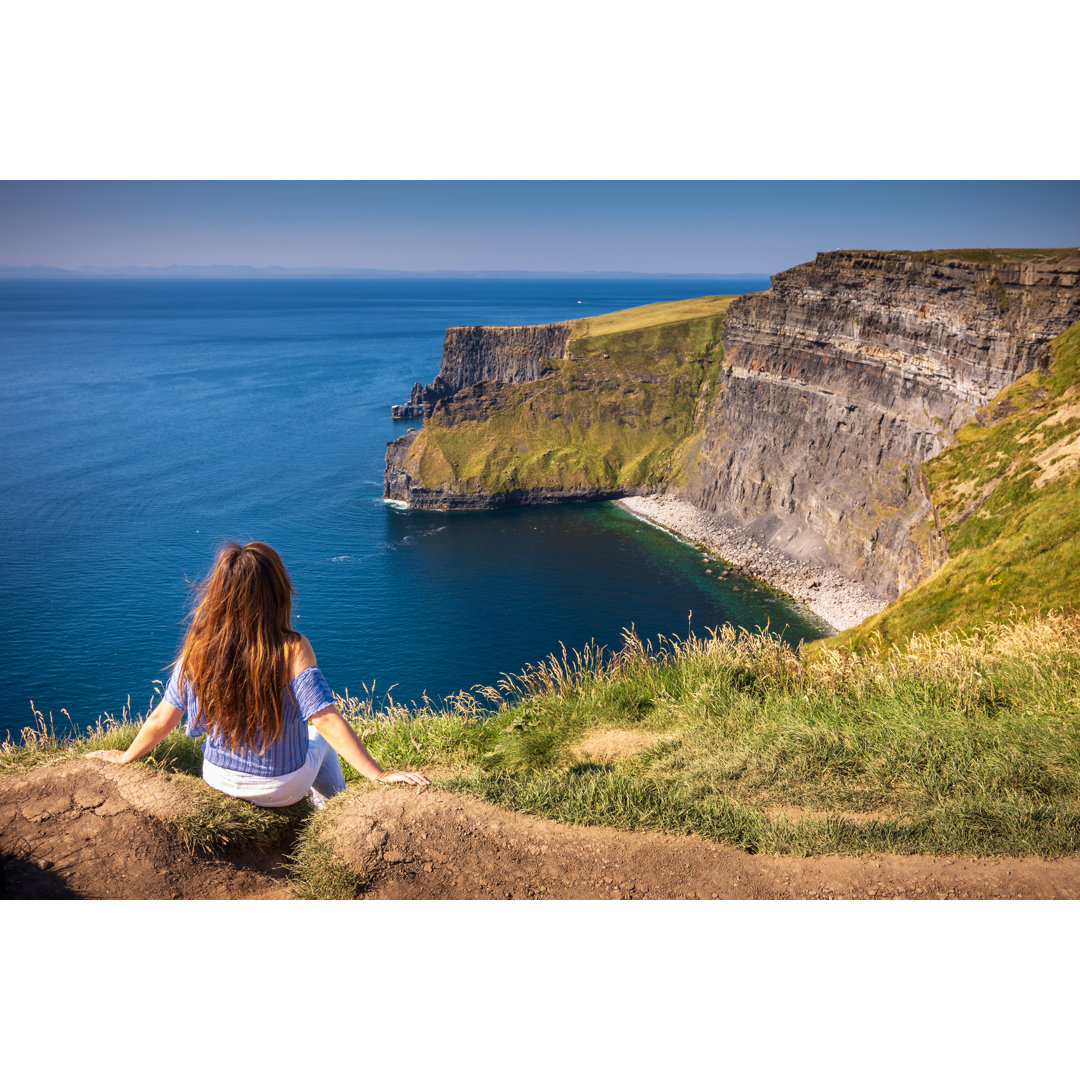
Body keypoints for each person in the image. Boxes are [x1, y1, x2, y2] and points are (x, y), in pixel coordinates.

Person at [87, 541, 429, 806]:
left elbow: (163, 717)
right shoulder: (292, 648)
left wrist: (126, 757)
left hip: (217, 777)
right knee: (320, 737)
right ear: (277, 591)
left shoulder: (198, 647)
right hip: (282, 786)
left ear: (218, 593)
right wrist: (378, 774)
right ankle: (333, 813)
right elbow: (324, 720)